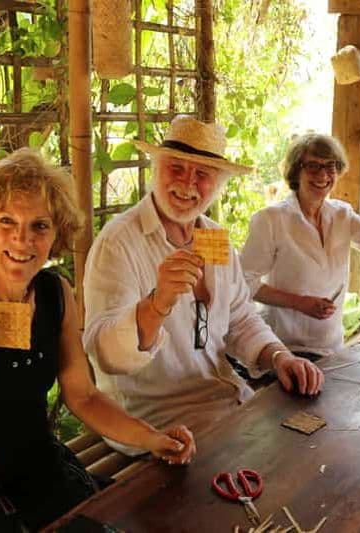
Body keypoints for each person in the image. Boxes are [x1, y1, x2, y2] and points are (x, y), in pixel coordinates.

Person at [0, 149, 196, 533]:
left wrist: (153, 439)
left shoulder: (55, 291)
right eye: (7, 221)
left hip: (39, 478)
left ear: (57, 233)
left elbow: (84, 396)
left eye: (40, 226)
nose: (22, 240)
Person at [82, 116, 324, 454]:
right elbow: (104, 353)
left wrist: (280, 356)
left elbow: (240, 317)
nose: (187, 183)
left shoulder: (213, 238)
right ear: (156, 167)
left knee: (311, 452)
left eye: (202, 174)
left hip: (229, 403)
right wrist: (157, 304)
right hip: (157, 426)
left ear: (219, 183)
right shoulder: (118, 243)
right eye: (176, 168)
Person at [240, 133, 360, 357]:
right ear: (296, 171)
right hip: (284, 349)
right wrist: (300, 303)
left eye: (331, 166)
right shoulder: (270, 219)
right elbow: (245, 281)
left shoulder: (341, 214)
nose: (323, 174)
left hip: (333, 347)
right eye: (313, 166)